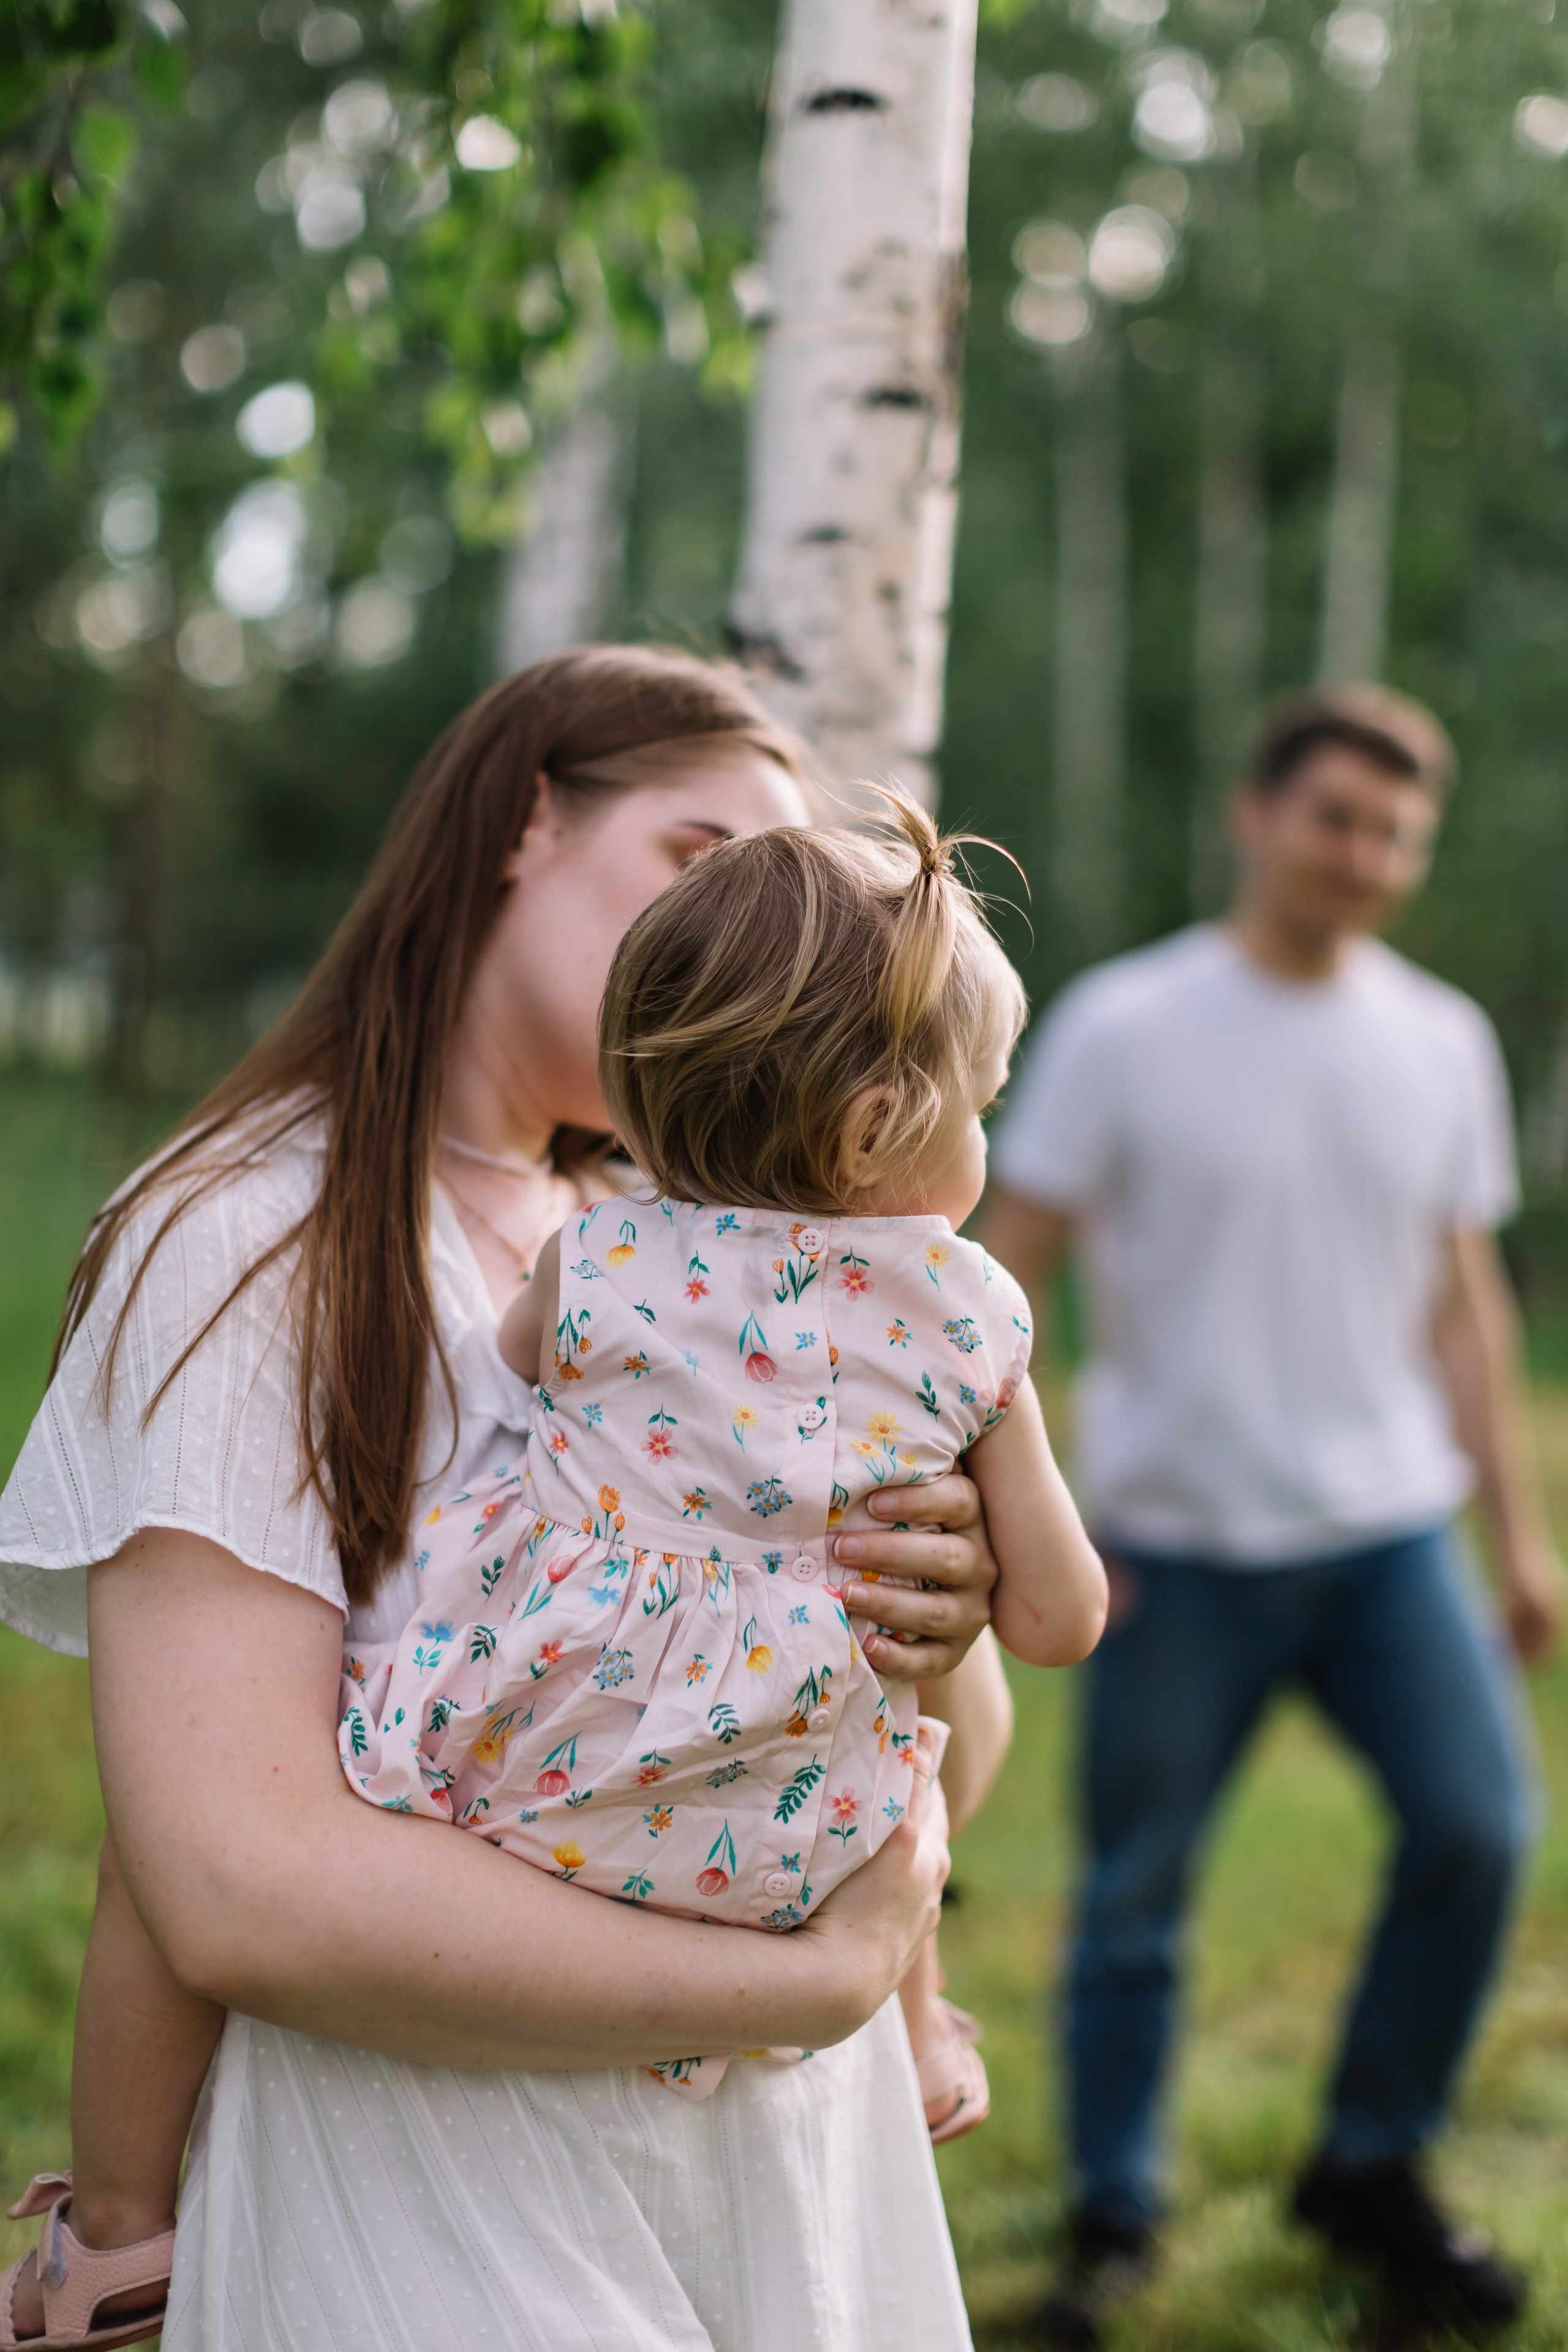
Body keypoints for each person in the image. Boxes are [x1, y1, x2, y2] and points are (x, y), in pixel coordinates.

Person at [0, 649, 1016, 2352]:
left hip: (793, 2178)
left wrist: (947, 1596)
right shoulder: (248, 1237)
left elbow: (945, 1767)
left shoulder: (740, 1279)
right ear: (526, 821)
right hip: (442, 2190)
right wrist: (810, 1985)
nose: (740, 952)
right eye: (700, 863)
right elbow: (238, 1885)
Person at [981, 687, 1565, 2343]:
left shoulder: (1441, 1040)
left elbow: (1464, 1302)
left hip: (1389, 1536)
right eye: (1335, 819)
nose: (1363, 857)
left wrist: (1516, 1535)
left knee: (1480, 1829)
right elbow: (1006, 1272)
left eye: (1395, 834)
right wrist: (1032, 1515)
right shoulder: (1125, 1024)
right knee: (1135, 1901)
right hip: (1172, 1544)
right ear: (1257, 817)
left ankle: (1371, 2167)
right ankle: (1109, 2218)